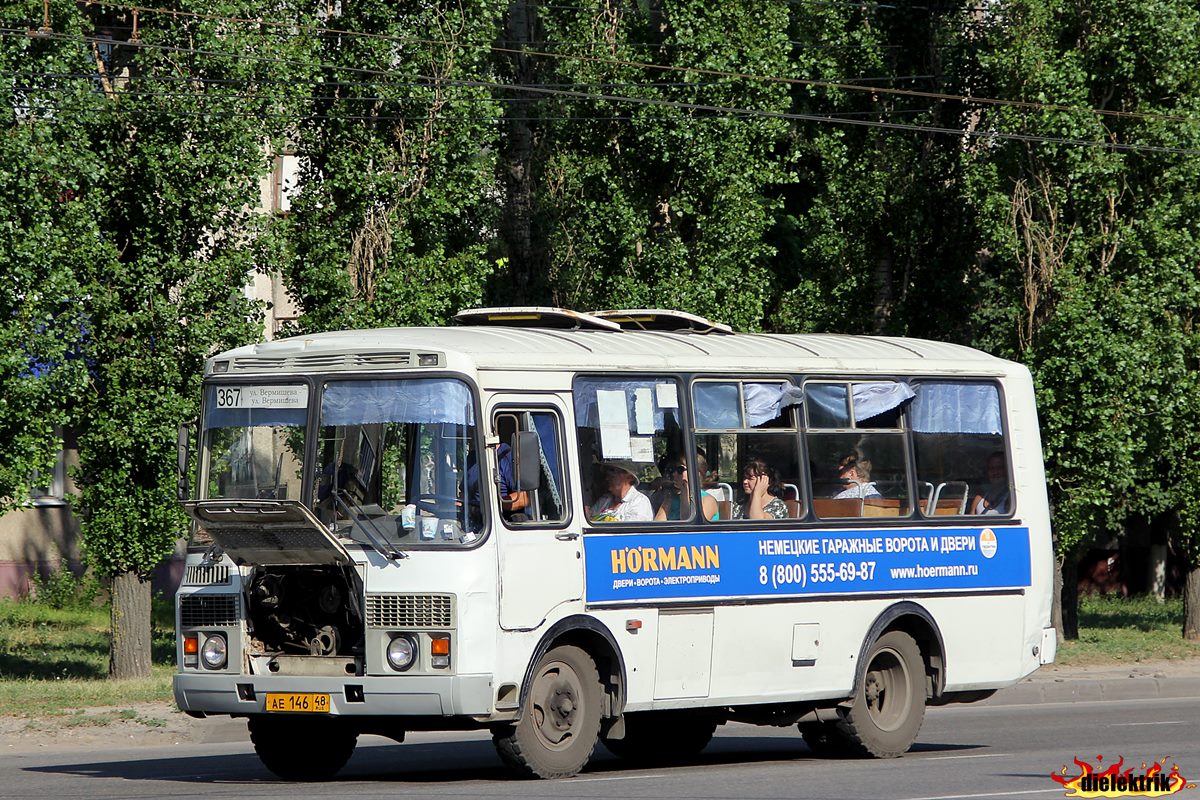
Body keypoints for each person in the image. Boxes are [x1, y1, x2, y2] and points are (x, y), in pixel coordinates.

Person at [654, 453, 720, 521]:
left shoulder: (708, 500)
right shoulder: (671, 498)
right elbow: (657, 524)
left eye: (680, 470)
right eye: (674, 469)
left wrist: (685, 490)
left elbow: (689, 525)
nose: (674, 474)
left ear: (696, 473)